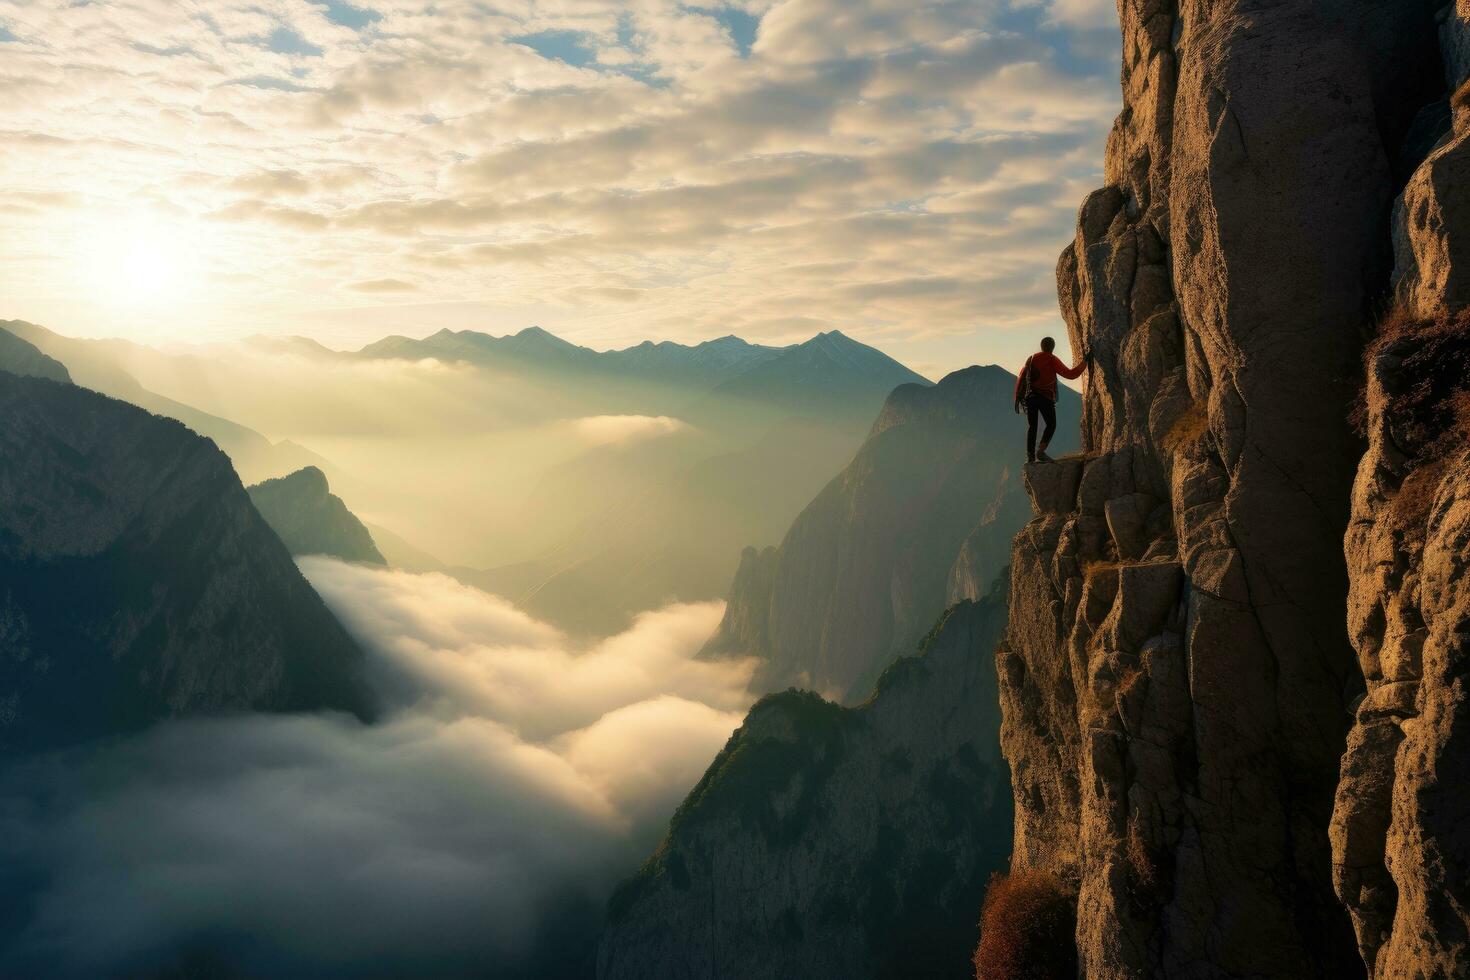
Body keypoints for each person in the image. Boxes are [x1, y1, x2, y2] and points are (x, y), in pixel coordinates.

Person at [1013, 337, 1087, 463]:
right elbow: (1070, 374)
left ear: (1041, 346)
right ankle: (1041, 452)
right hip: (1045, 397)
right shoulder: (1051, 359)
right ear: (1052, 347)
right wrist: (1085, 362)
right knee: (1051, 424)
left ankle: (1030, 457)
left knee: (1032, 426)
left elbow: (1022, 377)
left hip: (1030, 397)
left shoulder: (1031, 359)